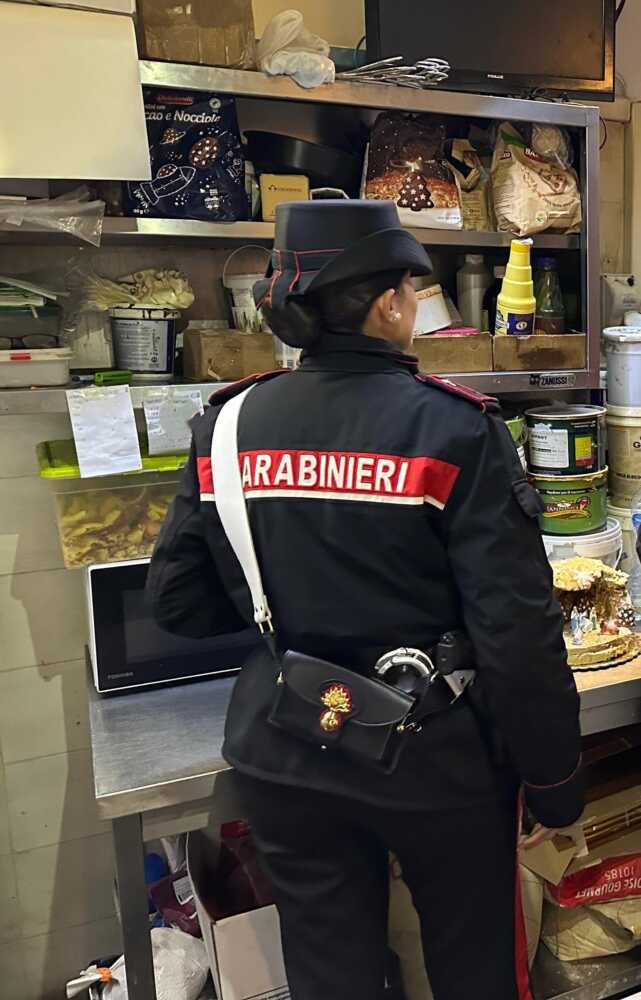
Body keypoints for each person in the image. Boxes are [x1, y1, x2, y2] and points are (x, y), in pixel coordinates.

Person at [147, 200, 583, 1000]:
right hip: (436, 760)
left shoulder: (226, 426)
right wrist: (554, 781)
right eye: (412, 292)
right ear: (387, 303)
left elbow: (178, 605)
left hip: (285, 747)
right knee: (470, 965)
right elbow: (514, 632)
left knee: (329, 971)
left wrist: (294, 607)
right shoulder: (453, 430)